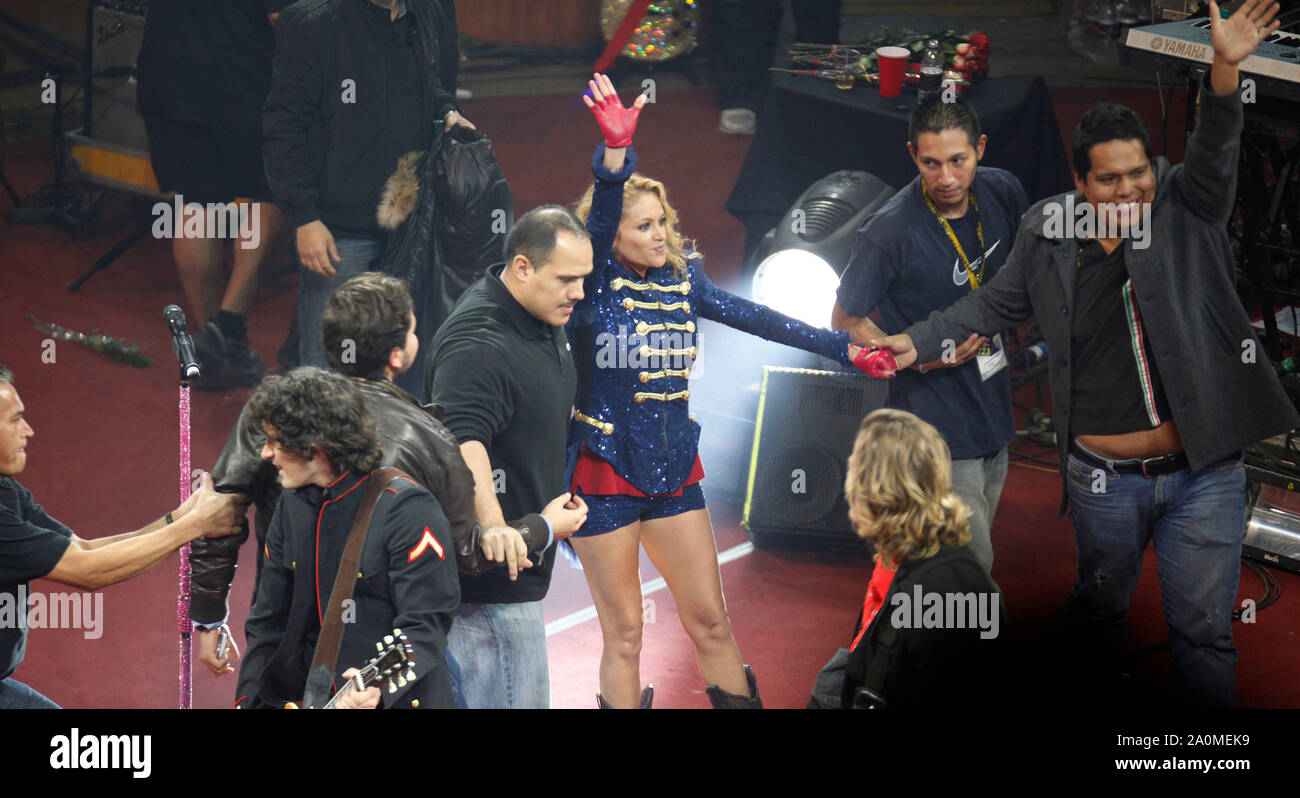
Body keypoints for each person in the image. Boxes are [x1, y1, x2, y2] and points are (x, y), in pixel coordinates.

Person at [869, 0, 1292, 707]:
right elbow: (991, 305)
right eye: (1110, 179)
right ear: (1080, 182)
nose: (1129, 190)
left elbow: (1215, 150)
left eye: (1139, 175)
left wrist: (1225, 69)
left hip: (1203, 475)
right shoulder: (1047, 231)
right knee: (1097, 618)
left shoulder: (1185, 206)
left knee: (1202, 633)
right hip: (1104, 483)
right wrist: (913, 341)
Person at [567, 74, 873, 709]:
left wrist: (844, 347)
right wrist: (615, 162)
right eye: (643, 226)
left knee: (711, 624)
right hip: (603, 476)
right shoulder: (589, 284)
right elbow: (597, 225)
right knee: (624, 635)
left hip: (677, 468)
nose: (660, 235)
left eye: (663, 223)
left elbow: (759, 318)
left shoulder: (686, 280)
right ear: (612, 237)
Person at [191, 272, 555, 677]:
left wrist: (208, 614)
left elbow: (218, 512)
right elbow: (466, 552)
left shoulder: (274, 413)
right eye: (413, 328)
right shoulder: (429, 437)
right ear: (397, 355)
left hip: (281, 630)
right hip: (377, 655)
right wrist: (543, 527)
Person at [832, 95, 1029, 575]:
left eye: (958, 161)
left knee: (954, 560)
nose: (946, 178)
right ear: (912, 155)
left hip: (993, 406)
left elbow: (1024, 275)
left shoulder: (1002, 191)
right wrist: (918, 357)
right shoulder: (889, 232)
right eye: (931, 163)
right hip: (932, 420)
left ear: (980, 148)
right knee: (969, 563)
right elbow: (843, 320)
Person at [0, 366, 244, 708]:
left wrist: (181, 517)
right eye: (14, 421)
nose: (29, 430)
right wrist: (194, 527)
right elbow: (87, 571)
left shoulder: (6, 491)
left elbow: (83, 548)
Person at [426, 206, 592, 709]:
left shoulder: (541, 313)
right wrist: (498, 530)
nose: (579, 293)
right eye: (567, 279)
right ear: (522, 267)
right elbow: (464, 440)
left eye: (583, 278)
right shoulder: (479, 343)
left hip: (522, 565)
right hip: (490, 592)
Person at [263, 0, 473, 371]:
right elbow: (285, 123)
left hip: (408, 222)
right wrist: (305, 216)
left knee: (390, 361)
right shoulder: (315, 24)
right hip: (337, 228)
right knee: (327, 368)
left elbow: (425, 86)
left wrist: (447, 111)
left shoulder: (422, 13)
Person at [233, 368, 460, 708]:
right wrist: (248, 703)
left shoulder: (408, 510)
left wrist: (378, 690)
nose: (266, 454)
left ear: (314, 445)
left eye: (275, 441)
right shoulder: (290, 506)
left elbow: (425, 624)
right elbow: (267, 624)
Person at [136, 0, 291, 390]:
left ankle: (209, 336)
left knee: (194, 203)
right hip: (242, 77)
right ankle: (228, 326)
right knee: (272, 194)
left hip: (168, 75)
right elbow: (285, 20)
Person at [839, 409, 1003, 709]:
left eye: (853, 469)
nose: (846, 482)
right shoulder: (898, 557)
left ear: (879, 491)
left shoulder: (950, 593)